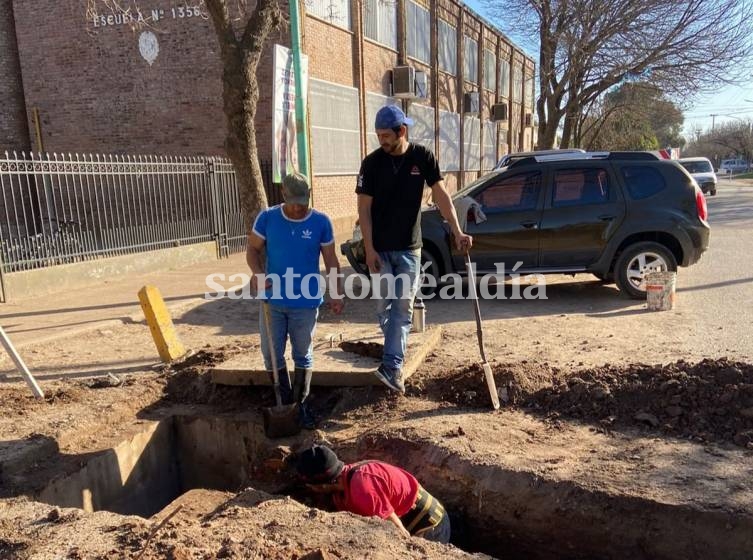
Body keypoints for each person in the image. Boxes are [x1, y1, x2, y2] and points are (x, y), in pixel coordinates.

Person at [356, 105, 473, 393]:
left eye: (386, 135)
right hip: (380, 250)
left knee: (403, 306)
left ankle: (392, 366)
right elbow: (364, 209)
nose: (381, 140)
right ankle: (393, 353)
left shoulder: (422, 157)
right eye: (378, 135)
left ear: (402, 131)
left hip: (410, 248)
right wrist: (368, 249)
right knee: (384, 307)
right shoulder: (371, 164)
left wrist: (457, 230)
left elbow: (442, 196)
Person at [247, 173, 344, 428]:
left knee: (303, 353)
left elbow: (331, 260)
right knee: (271, 354)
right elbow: (252, 250)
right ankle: (284, 402)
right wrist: (258, 274)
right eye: (295, 202)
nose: (300, 207)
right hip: (273, 301)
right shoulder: (267, 218)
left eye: (304, 200)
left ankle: (300, 406)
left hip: (306, 302)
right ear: (284, 196)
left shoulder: (321, 222)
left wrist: (336, 292)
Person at [294, 445, 451, 544]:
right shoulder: (342, 483)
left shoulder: (362, 489)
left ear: (322, 485)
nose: (310, 490)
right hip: (412, 517)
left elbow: (400, 535)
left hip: (430, 527)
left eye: (311, 486)